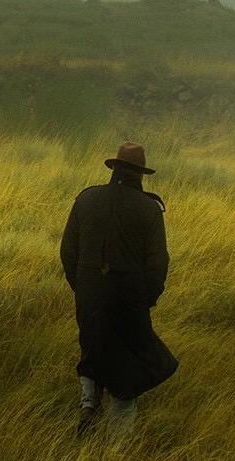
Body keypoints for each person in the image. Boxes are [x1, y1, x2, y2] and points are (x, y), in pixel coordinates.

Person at [60, 141, 178, 436]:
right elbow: (158, 263)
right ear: (140, 174)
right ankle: (116, 452)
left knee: (93, 345)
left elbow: (67, 251)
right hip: (129, 300)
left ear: (114, 168)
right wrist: (146, 298)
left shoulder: (86, 199)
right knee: (127, 367)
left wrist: (83, 288)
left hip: (89, 295)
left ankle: (88, 404)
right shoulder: (149, 209)